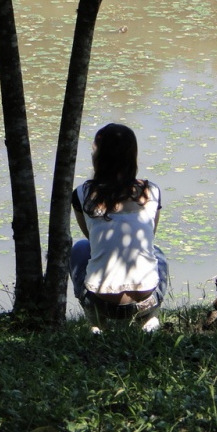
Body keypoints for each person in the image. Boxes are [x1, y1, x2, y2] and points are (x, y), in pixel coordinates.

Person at [70, 123, 169, 332]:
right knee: (157, 252)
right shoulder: (151, 192)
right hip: (146, 300)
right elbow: (149, 235)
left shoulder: (81, 194)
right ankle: (149, 318)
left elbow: (91, 238)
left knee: (80, 248)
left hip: (100, 301)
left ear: (99, 157)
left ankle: (96, 322)